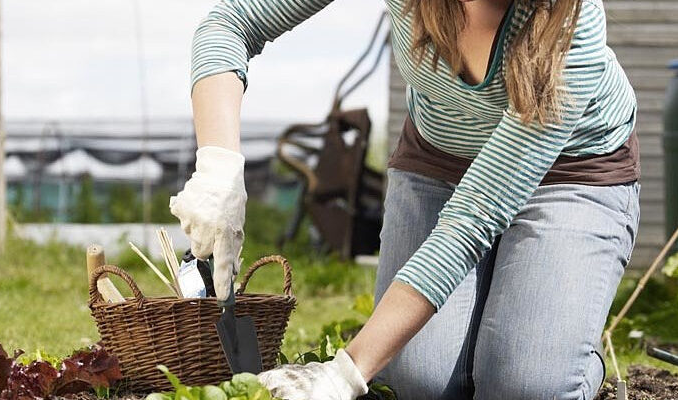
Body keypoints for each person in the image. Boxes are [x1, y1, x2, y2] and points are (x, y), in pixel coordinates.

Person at [169, 0, 640, 398]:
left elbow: (473, 219)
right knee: (417, 381)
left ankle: (567, 345)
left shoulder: (571, 26)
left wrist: (343, 374)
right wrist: (218, 168)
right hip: (441, 162)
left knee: (525, 384)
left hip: (571, 173)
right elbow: (229, 23)